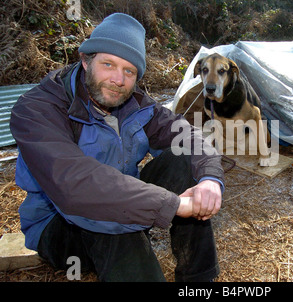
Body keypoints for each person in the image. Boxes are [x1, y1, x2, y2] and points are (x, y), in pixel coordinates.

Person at [10, 13, 224, 282]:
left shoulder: (137, 105)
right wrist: (174, 204)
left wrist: (210, 180)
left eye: (129, 71)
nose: (118, 80)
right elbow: (77, 187)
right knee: (110, 215)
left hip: (127, 208)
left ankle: (198, 279)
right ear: (86, 61)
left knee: (184, 160)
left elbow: (190, 136)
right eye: (108, 64)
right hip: (60, 227)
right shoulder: (39, 109)